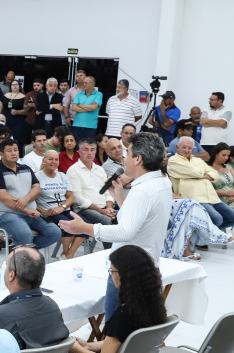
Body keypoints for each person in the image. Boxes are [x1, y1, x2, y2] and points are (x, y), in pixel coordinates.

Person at [59, 132, 172, 325]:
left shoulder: (142, 191)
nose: (123, 158)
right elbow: (137, 219)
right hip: (148, 264)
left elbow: (125, 232)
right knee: (136, 326)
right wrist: (119, 196)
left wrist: (85, 228)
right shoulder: (162, 182)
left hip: (127, 272)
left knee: (115, 329)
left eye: (127, 153)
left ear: (138, 159)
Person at [56, 245, 167, 353]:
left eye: (112, 271)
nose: (111, 275)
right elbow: (126, 342)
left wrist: (78, 349)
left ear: (124, 275)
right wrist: (88, 345)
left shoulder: (124, 314)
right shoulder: (153, 306)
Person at [0, 139, 62, 249]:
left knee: (54, 232)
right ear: (1, 154)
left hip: (30, 214)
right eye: (9, 151)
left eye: (15, 150)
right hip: (5, 215)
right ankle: (24, 253)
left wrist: (26, 199)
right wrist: (26, 209)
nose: (13, 153)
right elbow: (4, 197)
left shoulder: (26, 168)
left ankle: (22, 251)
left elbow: (37, 188)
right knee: (26, 235)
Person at [167, 136, 234, 231]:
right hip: (196, 198)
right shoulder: (173, 160)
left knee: (232, 218)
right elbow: (193, 172)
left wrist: (199, 174)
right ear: (177, 147)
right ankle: (200, 234)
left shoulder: (198, 160)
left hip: (212, 197)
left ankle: (199, 233)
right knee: (217, 219)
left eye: (189, 148)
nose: (187, 150)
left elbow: (215, 175)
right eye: (184, 147)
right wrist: (204, 174)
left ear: (193, 149)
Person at [34, 150, 85, 258]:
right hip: (48, 213)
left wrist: (62, 207)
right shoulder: (37, 177)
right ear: (44, 161)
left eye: (56, 159)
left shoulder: (62, 175)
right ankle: (66, 252)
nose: (54, 162)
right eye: (50, 159)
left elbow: (71, 197)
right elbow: (32, 201)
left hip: (63, 209)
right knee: (68, 225)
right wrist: (44, 212)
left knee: (84, 224)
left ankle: (69, 254)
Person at [67, 138, 115, 229]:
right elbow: (77, 198)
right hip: (85, 210)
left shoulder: (100, 169)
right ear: (79, 152)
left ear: (95, 152)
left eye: (92, 150)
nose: (89, 153)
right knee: (106, 221)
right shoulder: (73, 170)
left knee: (124, 217)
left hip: (104, 208)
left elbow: (108, 191)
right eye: (86, 149)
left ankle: (125, 244)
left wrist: (109, 208)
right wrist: (102, 211)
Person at [70, 76, 103, 141]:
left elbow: (94, 108)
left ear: (92, 84)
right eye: (83, 83)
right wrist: (89, 107)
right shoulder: (79, 94)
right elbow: (73, 107)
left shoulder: (98, 94)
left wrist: (80, 105)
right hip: (77, 125)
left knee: (88, 146)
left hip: (91, 126)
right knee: (77, 147)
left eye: (86, 83)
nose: (84, 84)